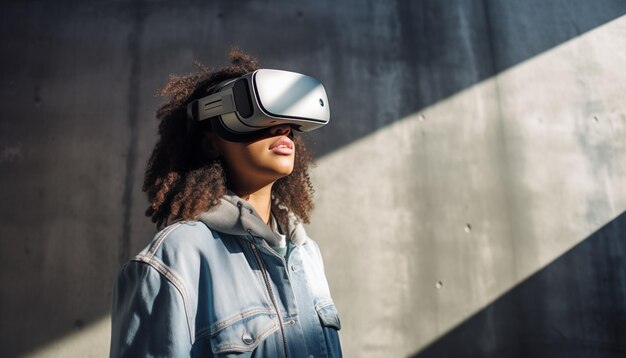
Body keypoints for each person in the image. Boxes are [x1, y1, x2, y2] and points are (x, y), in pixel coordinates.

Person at [109, 49, 342, 357]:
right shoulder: (176, 259)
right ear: (211, 141)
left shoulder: (306, 254)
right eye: (259, 115)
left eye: (289, 122)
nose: (282, 127)